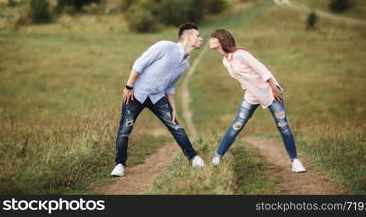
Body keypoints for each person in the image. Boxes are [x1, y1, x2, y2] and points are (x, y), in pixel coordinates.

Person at [111, 22, 206, 177]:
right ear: (187, 37)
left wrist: (173, 108)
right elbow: (139, 64)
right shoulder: (164, 47)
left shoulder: (185, 64)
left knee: (176, 127)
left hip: (157, 98)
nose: (201, 39)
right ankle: (119, 164)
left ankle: (194, 158)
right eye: (197, 35)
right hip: (136, 94)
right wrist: (129, 87)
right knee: (125, 129)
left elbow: (170, 87)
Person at [208, 29, 306, 173]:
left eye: (213, 38)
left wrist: (274, 87)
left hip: (270, 92)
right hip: (252, 95)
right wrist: (251, 105)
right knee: (237, 124)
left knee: (283, 126)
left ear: (221, 40)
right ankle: (217, 157)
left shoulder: (240, 54)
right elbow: (242, 79)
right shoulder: (225, 61)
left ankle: (295, 161)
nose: (210, 41)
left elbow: (262, 70)